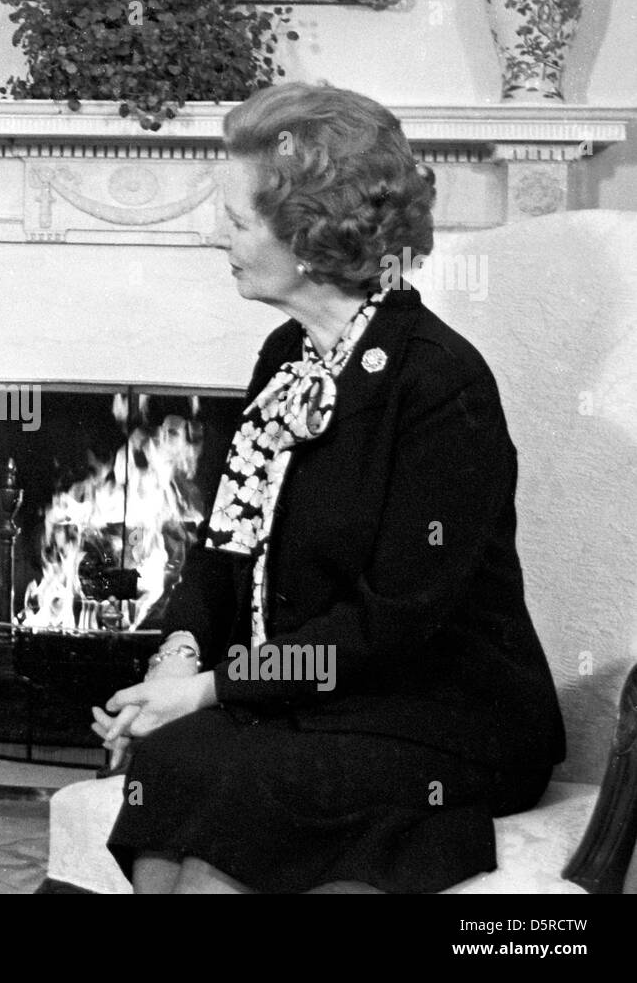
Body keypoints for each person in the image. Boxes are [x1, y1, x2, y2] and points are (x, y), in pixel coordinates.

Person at [92, 82, 566, 894]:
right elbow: (224, 544)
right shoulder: (286, 357)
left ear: (309, 236)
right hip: (316, 696)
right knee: (170, 757)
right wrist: (179, 660)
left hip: (437, 710)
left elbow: (394, 624)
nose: (218, 237)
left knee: (242, 798)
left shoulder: (439, 383)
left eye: (238, 221)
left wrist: (213, 690)